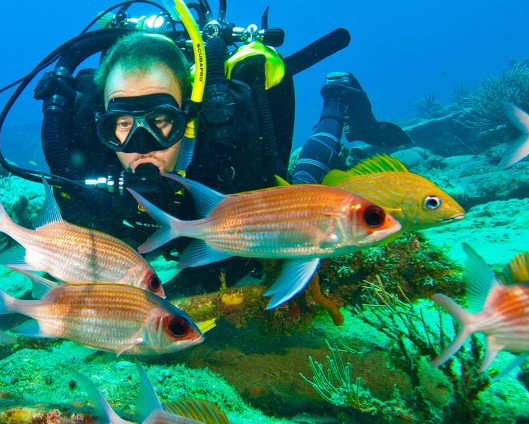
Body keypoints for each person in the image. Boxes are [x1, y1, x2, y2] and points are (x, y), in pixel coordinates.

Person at [36, 31, 409, 291]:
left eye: (163, 122)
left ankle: (337, 101)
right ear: (101, 121)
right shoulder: (81, 149)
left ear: (189, 115)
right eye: (122, 125)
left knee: (301, 185)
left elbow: (255, 254)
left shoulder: (226, 141)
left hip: (235, 183)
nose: (142, 146)